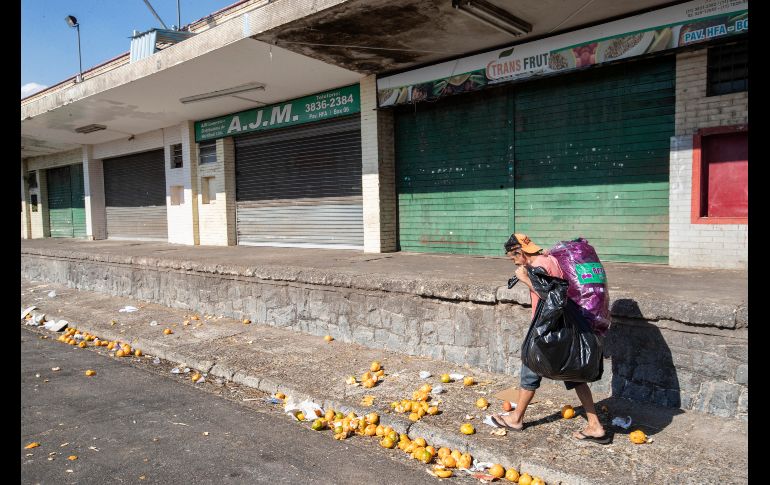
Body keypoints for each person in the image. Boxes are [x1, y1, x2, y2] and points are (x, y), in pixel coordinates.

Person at [492, 233, 610, 444]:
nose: (514, 262)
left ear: (520, 252)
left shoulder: (540, 265)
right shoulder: (548, 260)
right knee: (575, 378)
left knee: (530, 368)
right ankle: (595, 425)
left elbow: (554, 297)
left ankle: (516, 418)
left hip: (548, 329)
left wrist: (526, 279)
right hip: (562, 328)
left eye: (513, 257)